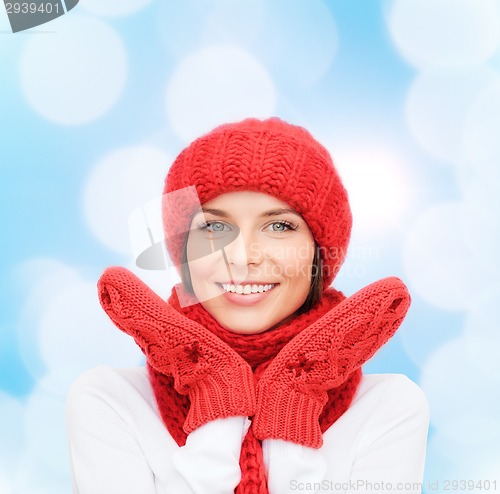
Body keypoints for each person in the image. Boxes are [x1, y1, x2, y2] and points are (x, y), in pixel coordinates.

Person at [65, 117, 430, 494]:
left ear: (319, 253)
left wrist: (294, 400)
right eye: (213, 227)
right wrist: (214, 388)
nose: (242, 257)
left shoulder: (388, 409)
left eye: (279, 227)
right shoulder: (110, 401)